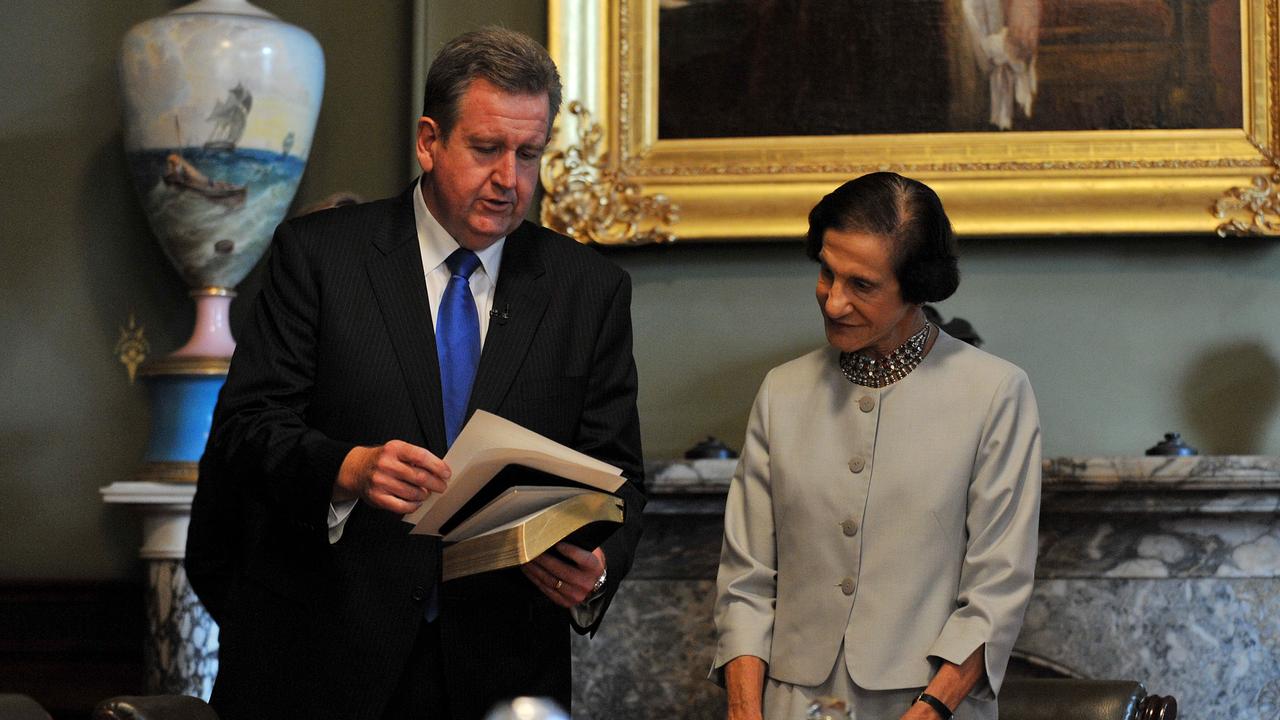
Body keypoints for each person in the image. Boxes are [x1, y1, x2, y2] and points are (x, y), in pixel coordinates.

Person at [185, 28, 645, 720]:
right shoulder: (320, 259)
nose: (510, 180)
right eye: (486, 149)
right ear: (430, 141)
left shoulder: (588, 290)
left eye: (529, 154)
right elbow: (245, 433)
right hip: (320, 664)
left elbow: (620, 475)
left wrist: (599, 561)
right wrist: (349, 467)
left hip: (498, 668)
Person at [711, 172, 1040, 720]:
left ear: (918, 286)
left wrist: (931, 709)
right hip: (794, 704)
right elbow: (744, 581)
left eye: (861, 285)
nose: (834, 303)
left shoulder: (995, 393)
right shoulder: (781, 393)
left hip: (930, 704)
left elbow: (997, 591)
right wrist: (746, 712)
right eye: (826, 273)